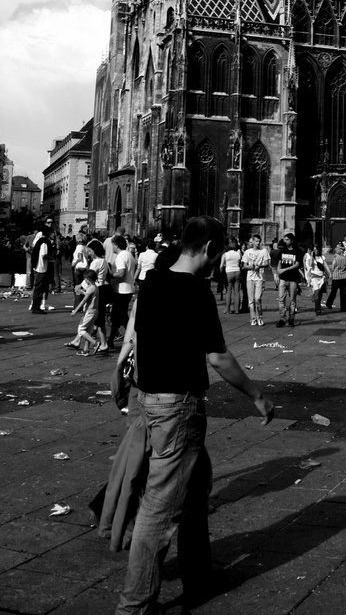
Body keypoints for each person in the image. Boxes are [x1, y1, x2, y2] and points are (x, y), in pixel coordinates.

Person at [111, 216, 274, 614]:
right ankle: (134, 605)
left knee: (196, 485)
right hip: (178, 404)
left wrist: (121, 377)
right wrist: (256, 395)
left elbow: (135, 340)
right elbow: (217, 356)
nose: (217, 262)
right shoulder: (197, 292)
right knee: (159, 508)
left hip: (150, 399)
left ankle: (198, 574)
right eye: (216, 253)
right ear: (208, 249)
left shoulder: (151, 285)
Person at [109, 236, 136, 349]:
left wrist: (110, 274)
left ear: (117, 245)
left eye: (113, 245)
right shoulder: (129, 254)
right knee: (121, 315)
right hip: (128, 289)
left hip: (121, 290)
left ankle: (133, 337)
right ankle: (111, 339)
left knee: (117, 316)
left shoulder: (120, 256)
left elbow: (120, 273)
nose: (112, 247)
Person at [66, 268, 100, 354]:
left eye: (85, 279)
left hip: (89, 312)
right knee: (88, 330)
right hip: (94, 311)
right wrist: (82, 291)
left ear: (89, 279)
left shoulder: (91, 288)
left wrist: (75, 310)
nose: (85, 281)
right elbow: (89, 295)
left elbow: (84, 300)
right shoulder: (95, 287)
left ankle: (95, 343)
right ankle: (86, 350)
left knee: (81, 330)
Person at [30, 219, 56, 314]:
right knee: (39, 287)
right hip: (41, 267)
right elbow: (44, 254)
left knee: (38, 287)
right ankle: (36, 307)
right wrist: (51, 257)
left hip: (37, 265)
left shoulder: (40, 240)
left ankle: (35, 306)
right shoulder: (44, 242)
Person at [276, 234, 303, 327]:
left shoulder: (298, 251)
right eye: (284, 239)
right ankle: (282, 318)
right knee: (281, 299)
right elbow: (279, 262)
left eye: (287, 239)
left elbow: (297, 265)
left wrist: (284, 270)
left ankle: (291, 318)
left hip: (293, 278)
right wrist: (278, 271)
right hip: (283, 278)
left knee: (292, 299)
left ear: (291, 240)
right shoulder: (283, 250)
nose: (285, 241)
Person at [243, 233, 270, 326]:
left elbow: (267, 264)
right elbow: (244, 265)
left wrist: (260, 266)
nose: (257, 243)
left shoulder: (264, 251)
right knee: (251, 300)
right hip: (250, 277)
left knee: (257, 298)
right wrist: (252, 267)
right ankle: (253, 318)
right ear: (253, 242)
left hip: (259, 277)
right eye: (256, 241)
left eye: (259, 241)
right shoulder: (247, 252)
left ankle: (260, 317)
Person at [220, 241, 243, 314]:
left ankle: (227, 309)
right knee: (237, 292)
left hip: (228, 272)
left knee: (228, 291)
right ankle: (236, 309)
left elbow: (221, 266)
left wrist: (222, 271)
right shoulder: (238, 254)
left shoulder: (225, 254)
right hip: (237, 272)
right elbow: (240, 263)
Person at [326, 243, 346, 311]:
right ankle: (343, 307)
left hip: (336, 277)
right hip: (343, 277)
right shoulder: (344, 258)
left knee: (333, 292)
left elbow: (333, 267)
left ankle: (329, 303)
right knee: (343, 293)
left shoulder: (335, 258)